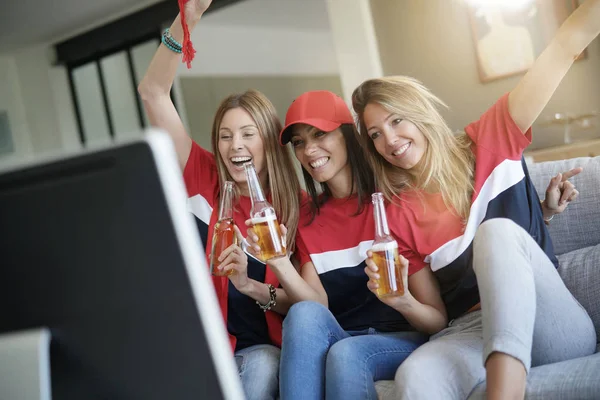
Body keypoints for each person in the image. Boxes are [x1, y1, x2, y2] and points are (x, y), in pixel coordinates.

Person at [351, 2, 599, 398]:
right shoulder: (397, 214)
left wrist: (542, 214)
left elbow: (567, 44)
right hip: (469, 331)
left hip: (549, 319)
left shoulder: (493, 135)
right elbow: (436, 319)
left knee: (496, 232)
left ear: (420, 114)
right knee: (415, 377)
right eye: (375, 134)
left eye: (396, 120)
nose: (390, 140)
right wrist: (400, 300)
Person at [137, 1, 302, 399]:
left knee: (262, 368)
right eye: (226, 135)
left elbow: (305, 303)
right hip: (196, 348)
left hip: (260, 351)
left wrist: (255, 286)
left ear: (268, 139)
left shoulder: (295, 207)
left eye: (248, 133)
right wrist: (185, 22)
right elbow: (153, 92)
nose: (236, 145)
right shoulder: (201, 173)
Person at [245, 90, 446, 400]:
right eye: (299, 142)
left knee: (346, 353)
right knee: (302, 315)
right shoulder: (309, 220)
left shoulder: (391, 204)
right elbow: (316, 308)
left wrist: (402, 299)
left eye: (320, 134)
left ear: (349, 136)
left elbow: (437, 319)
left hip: (401, 337)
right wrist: (279, 262)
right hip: (343, 336)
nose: (309, 150)